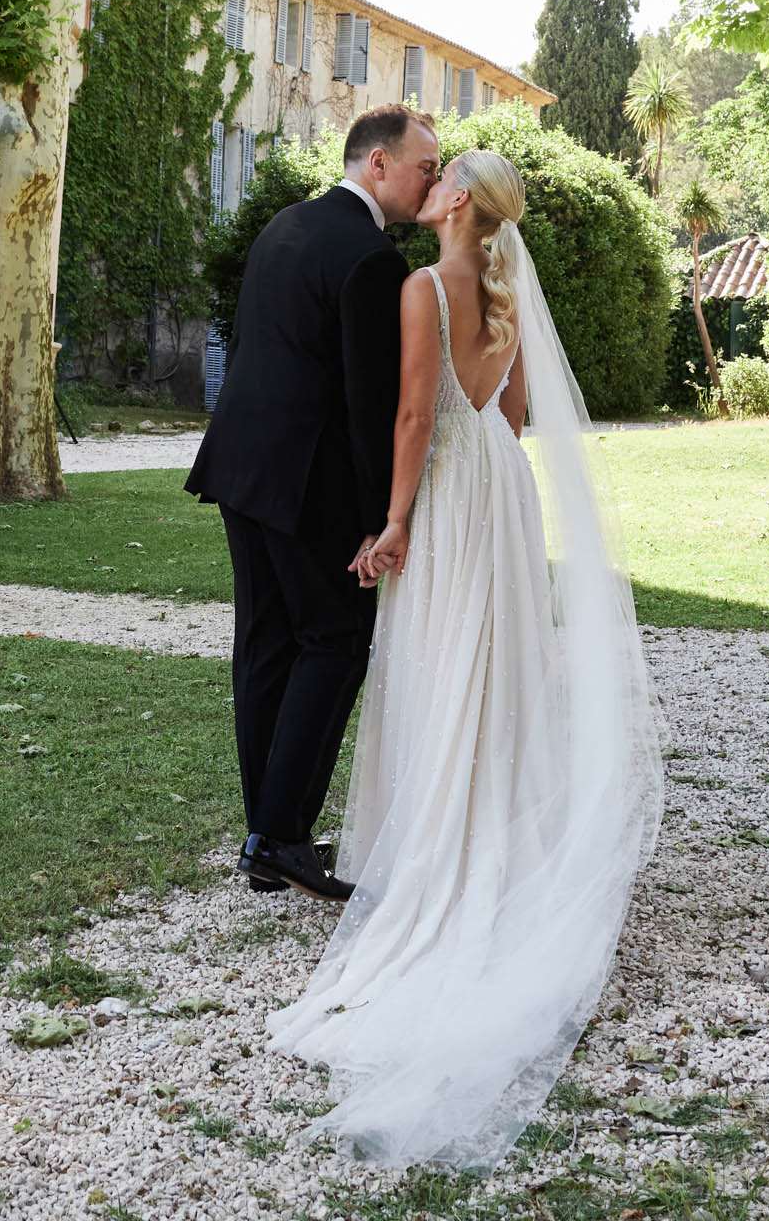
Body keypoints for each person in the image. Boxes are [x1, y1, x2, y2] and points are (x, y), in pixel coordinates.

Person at [267, 148, 665, 1167]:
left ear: (456, 205)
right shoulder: (504, 287)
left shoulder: (420, 288)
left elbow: (410, 415)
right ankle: (505, 836)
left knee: (444, 662)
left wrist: (393, 519)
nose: (432, 182)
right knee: (502, 666)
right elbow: (520, 413)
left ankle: (444, 852)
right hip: (503, 485)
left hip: (447, 492)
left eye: (447, 177)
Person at [185, 103, 441, 902]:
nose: (431, 177)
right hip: (307, 483)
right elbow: (369, 406)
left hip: (240, 467)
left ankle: (267, 836)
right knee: (332, 643)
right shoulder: (371, 260)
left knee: (265, 647)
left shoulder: (284, 225)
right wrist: (380, 516)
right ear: (377, 164)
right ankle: (282, 837)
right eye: (423, 165)